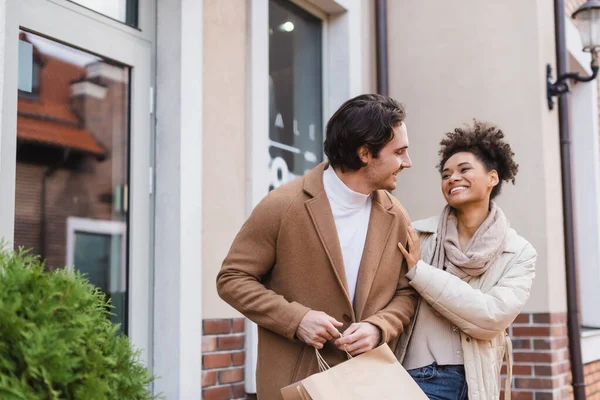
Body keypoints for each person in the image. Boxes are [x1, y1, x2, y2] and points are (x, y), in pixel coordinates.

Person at [217, 94, 418, 399]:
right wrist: (296, 320)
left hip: (368, 385)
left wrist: (379, 327)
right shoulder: (282, 206)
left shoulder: (397, 216)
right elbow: (232, 279)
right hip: (297, 385)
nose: (407, 162)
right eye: (399, 152)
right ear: (365, 153)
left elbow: (406, 292)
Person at [396, 120, 537, 400]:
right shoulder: (418, 236)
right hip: (418, 376)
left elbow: (490, 317)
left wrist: (420, 272)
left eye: (464, 170)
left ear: (492, 178)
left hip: (476, 383)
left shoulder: (519, 252)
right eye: (446, 174)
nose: (452, 178)